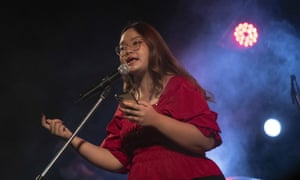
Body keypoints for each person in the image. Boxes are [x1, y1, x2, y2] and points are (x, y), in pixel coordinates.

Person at [41, 21, 225, 180]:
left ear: (154, 48)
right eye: (122, 48)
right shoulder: (126, 104)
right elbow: (116, 160)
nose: (128, 51)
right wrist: (69, 138)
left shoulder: (179, 86)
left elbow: (205, 141)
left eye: (136, 43)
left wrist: (155, 120)